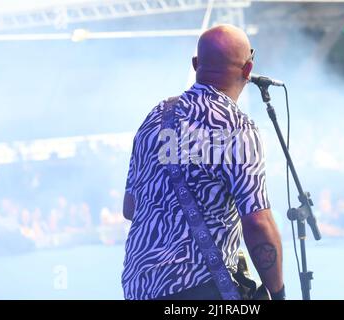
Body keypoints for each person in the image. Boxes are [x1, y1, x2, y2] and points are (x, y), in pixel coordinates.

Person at [122, 24, 284, 300]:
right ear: (248, 70)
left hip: (140, 288)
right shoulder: (237, 127)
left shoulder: (155, 118)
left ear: (196, 64)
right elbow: (257, 223)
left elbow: (130, 208)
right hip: (201, 289)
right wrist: (278, 293)